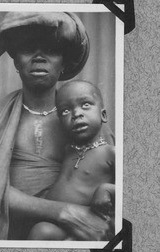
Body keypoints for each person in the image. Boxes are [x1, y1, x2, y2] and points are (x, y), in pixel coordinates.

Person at [0, 12, 116, 242]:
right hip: (7, 238)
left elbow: (114, 190)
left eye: (51, 49)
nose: (39, 57)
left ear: (64, 62)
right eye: (27, 48)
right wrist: (65, 213)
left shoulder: (86, 119)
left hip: (73, 240)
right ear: (15, 60)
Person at [28, 80, 115, 240]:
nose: (76, 114)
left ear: (103, 115)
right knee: (40, 230)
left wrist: (106, 189)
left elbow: (132, 191)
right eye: (66, 110)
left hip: (85, 223)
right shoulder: (69, 150)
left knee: (42, 232)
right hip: (57, 218)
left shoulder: (110, 153)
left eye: (86, 105)